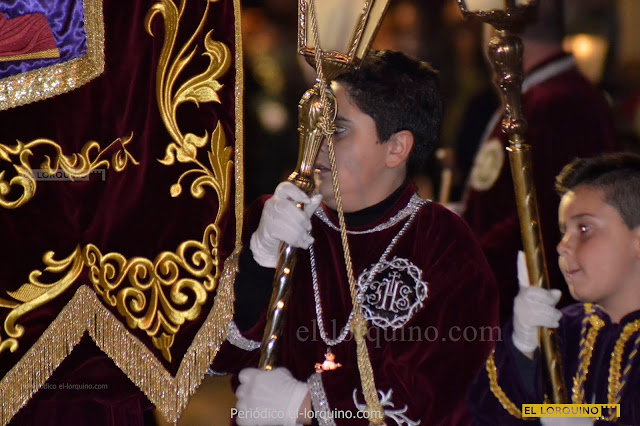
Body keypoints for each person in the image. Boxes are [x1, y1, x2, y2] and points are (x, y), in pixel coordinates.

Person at [210, 50, 499, 425]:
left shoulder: (443, 244)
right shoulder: (277, 217)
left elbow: (435, 393)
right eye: (316, 126)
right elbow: (214, 358)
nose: (315, 143)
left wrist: (308, 406)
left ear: (396, 148)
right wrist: (259, 260)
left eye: (337, 130)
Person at [461, 0, 618, 324]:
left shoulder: (559, 104)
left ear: (498, 28)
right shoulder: (541, 97)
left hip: (534, 317)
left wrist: (457, 260)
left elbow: (543, 222)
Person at [468, 152, 640, 425]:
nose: (562, 246)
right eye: (563, 231)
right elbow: (492, 416)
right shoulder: (563, 330)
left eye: (584, 228)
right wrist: (522, 348)